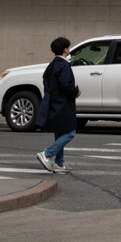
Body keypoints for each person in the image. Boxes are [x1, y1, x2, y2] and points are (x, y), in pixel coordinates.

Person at [36, 36, 77, 174]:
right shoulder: (64, 66)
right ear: (65, 49)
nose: (69, 50)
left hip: (53, 103)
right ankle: (47, 154)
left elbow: (46, 83)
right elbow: (67, 85)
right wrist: (75, 91)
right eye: (68, 48)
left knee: (60, 133)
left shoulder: (51, 65)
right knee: (70, 132)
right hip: (64, 104)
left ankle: (59, 163)